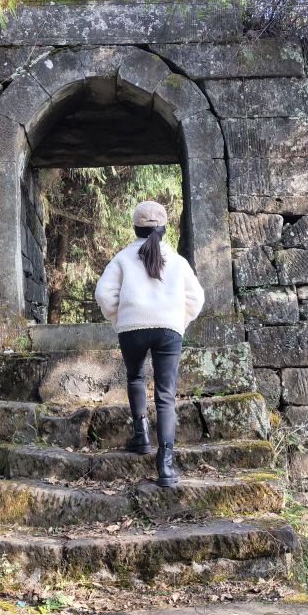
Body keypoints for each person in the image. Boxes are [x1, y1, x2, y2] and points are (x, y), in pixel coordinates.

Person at [94, 200, 205, 487]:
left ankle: (141, 436)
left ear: (135, 228)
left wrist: (122, 318)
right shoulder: (178, 262)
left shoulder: (122, 258)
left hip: (132, 328)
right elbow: (196, 298)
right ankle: (165, 467)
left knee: (135, 376)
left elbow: (104, 295)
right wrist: (178, 321)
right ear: (165, 229)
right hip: (169, 330)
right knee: (166, 395)